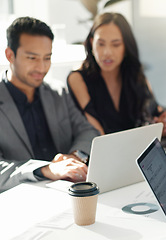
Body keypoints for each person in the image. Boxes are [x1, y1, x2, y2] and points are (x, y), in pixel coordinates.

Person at [0, 17, 99, 193]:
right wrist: (45, 170)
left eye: (47, 58)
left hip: (66, 192)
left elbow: (88, 132)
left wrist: (74, 158)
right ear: (10, 55)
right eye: (32, 58)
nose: (42, 67)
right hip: (20, 199)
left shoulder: (57, 93)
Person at [67, 12, 166, 136]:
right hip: (104, 152)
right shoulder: (77, 79)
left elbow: (156, 111)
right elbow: (99, 136)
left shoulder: (135, 74)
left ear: (126, 46)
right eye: (100, 44)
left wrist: (164, 123)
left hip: (140, 148)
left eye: (115, 44)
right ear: (91, 43)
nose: (107, 52)